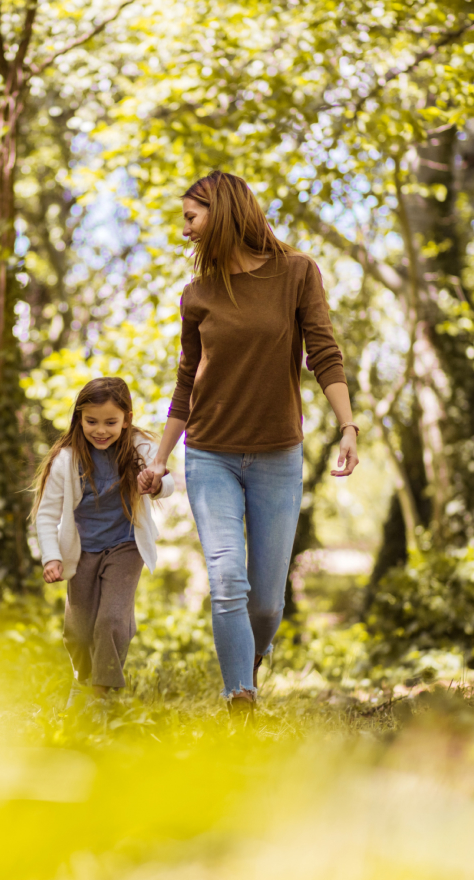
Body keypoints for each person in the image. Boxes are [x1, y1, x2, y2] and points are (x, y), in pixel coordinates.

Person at [138, 170, 360, 714]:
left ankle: (247, 666)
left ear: (224, 212)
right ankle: (240, 698)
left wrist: (348, 426)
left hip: (277, 456)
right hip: (210, 453)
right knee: (226, 578)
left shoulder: (298, 273)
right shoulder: (197, 295)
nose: (185, 231)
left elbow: (324, 353)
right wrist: (162, 457)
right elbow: (187, 380)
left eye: (191, 217)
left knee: (265, 602)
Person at [33, 377, 175, 709]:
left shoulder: (140, 446)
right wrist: (51, 557)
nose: (100, 430)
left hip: (126, 546)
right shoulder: (67, 459)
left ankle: (99, 697)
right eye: (91, 421)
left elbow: (167, 481)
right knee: (80, 631)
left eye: (111, 422)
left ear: (126, 418)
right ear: (79, 419)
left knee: (110, 620)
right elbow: (46, 513)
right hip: (82, 551)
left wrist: (154, 485)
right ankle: (83, 681)